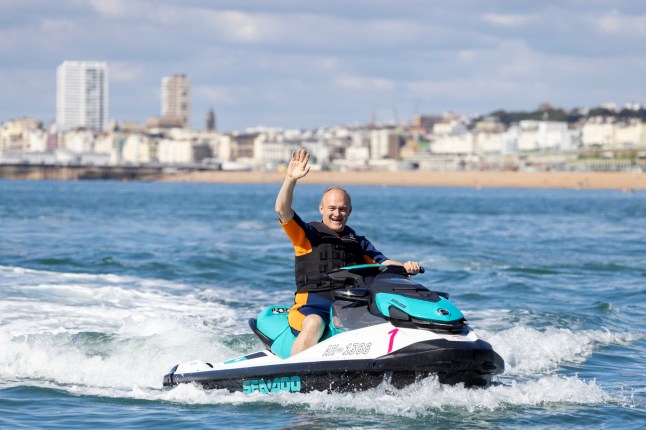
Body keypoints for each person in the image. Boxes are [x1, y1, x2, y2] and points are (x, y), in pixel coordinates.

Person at [275, 148, 421, 356]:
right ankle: (294, 372)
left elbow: (384, 263)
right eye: (332, 208)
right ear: (322, 209)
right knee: (315, 324)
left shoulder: (357, 242)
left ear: (349, 211)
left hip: (349, 306)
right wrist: (290, 179)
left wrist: (406, 267)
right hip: (311, 308)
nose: (337, 214)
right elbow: (282, 210)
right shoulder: (307, 234)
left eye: (342, 209)